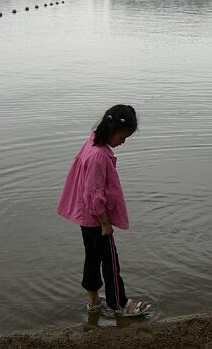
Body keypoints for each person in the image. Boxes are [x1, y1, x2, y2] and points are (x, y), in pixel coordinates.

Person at [57, 104, 152, 317]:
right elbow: (94, 192)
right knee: (111, 262)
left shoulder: (91, 142)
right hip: (97, 219)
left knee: (92, 258)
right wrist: (105, 223)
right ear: (111, 131)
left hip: (85, 217)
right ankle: (120, 303)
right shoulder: (99, 156)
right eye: (122, 136)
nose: (123, 142)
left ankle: (93, 302)